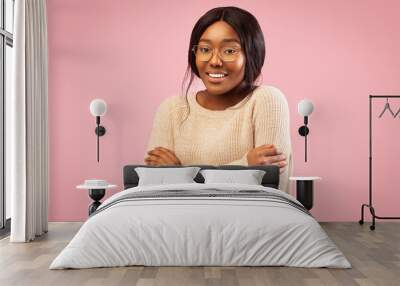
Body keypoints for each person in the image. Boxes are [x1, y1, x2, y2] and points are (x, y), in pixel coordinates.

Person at [144, 6, 292, 193]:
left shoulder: (267, 101)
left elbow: (270, 190)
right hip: (178, 221)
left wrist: (180, 175)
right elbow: (152, 190)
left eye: (229, 51)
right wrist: (246, 166)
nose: (214, 61)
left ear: (252, 53)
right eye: (205, 49)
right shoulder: (172, 109)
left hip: (249, 221)